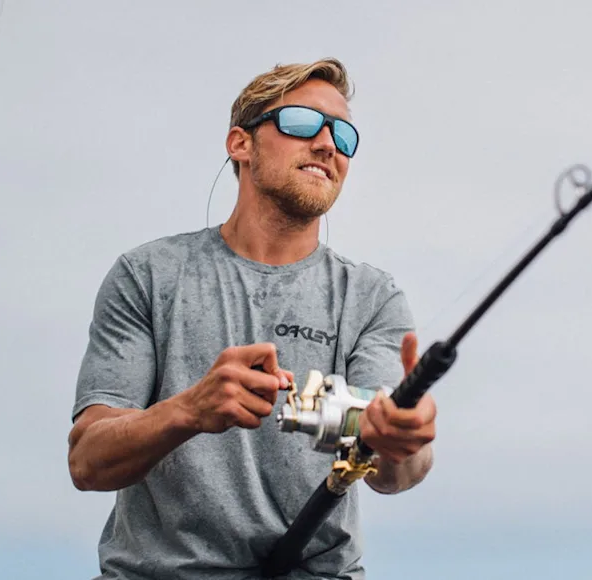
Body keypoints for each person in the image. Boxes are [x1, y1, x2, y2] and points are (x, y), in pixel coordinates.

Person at [67, 57, 437, 580]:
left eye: (344, 135)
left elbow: (395, 471)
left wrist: (406, 440)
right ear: (240, 143)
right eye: (303, 123)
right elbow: (87, 461)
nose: (328, 145)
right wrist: (189, 410)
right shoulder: (147, 275)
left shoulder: (372, 296)